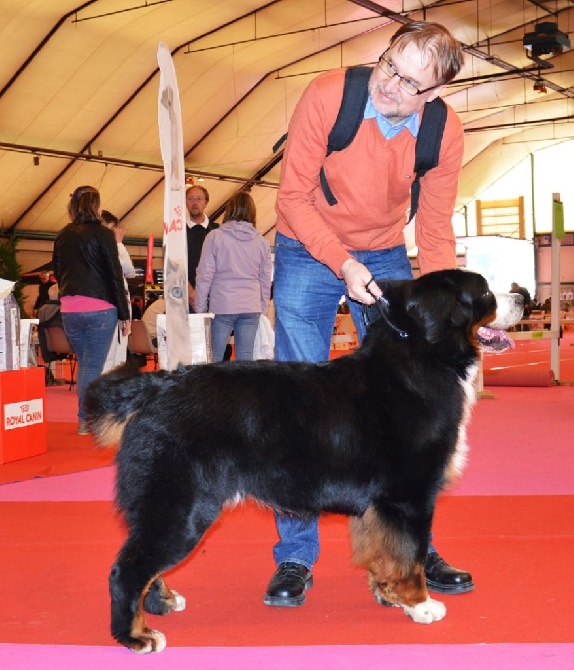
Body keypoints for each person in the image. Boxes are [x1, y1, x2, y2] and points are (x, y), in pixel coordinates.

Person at [265, 21, 473, 608]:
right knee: (299, 404)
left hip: (385, 248)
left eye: (409, 84)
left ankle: (407, 545)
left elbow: (433, 231)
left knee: (408, 403)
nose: (389, 87)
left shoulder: (443, 131)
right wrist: (342, 264)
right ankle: (297, 556)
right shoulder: (329, 95)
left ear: (433, 94)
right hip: (306, 245)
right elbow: (293, 197)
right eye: (389, 67)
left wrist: (444, 312)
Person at [52, 185, 130, 435]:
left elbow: (57, 269)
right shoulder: (104, 235)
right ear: (96, 206)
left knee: (86, 363)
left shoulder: (63, 235)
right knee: (92, 366)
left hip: (70, 309)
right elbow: (115, 275)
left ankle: (87, 417)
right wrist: (125, 312)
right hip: (100, 308)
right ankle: (86, 420)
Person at [195, 191, 272, 362]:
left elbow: (204, 276)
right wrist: (263, 308)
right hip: (251, 306)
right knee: (246, 360)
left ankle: (213, 389)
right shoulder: (262, 242)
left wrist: (200, 310)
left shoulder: (215, 237)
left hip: (223, 306)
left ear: (229, 210)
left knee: (213, 359)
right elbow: (266, 280)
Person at [101, 210, 136, 371]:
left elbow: (130, 272)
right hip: (112, 304)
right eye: (112, 228)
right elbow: (128, 269)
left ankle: (114, 388)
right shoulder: (105, 248)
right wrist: (118, 243)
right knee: (110, 353)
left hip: (121, 303)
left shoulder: (111, 248)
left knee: (119, 352)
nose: (116, 232)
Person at [185, 184, 219, 313]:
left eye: (199, 199)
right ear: (185, 202)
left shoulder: (218, 230)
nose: (194, 202)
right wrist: (190, 291)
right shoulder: (176, 231)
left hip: (215, 297)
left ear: (206, 203)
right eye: (190, 198)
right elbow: (173, 264)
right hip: (185, 297)